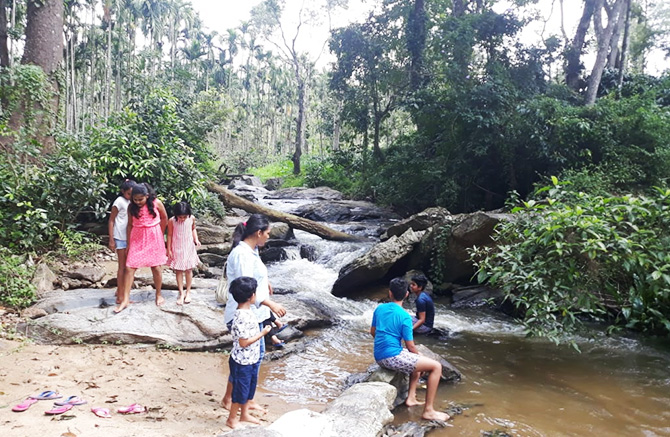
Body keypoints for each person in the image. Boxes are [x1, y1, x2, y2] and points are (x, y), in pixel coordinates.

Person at [221, 214, 287, 411]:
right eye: (267, 233)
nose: (268, 237)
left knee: (245, 359)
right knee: (250, 360)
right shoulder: (242, 254)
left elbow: (253, 278)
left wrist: (266, 282)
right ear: (258, 233)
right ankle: (243, 401)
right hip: (244, 315)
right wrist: (270, 304)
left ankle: (233, 399)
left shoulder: (251, 250)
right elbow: (244, 288)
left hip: (253, 314)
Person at [370, 278, 450, 422]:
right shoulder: (405, 316)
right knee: (436, 367)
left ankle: (411, 397)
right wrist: (418, 357)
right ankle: (429, 411)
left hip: (379, 354)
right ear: (406, 294)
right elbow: (411, 346)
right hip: (391, 357)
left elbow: (373, 332)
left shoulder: (379, 309)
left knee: (418, 358)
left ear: (390, 293)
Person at [226, 276, 272, 429]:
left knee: (248, 388)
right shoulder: (241, 316)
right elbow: (243, 342)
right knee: (240, 391)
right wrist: (262, 333)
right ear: (251, 296)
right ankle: (232, 419)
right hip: (242, 362)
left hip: (250, 359)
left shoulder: (246, 310)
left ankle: (244, 414)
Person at [114, 183, 168, 313]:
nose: (138, 202)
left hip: (154, 236)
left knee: (156, 267)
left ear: (147, 196)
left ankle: (158, 294)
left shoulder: (156, 203)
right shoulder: (131, 207)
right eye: (135, 199)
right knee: (129, 267)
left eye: (140, 199)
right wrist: (128, 243)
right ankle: (125, 299)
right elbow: (129, 225)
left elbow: (164, 217)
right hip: (137, 237)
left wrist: (160, 233)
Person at [167, 201, 201, 305]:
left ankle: (188, 292)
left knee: (189, 270)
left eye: (184, 217)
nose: (182, 219)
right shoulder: (172, 221)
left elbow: (193, 229)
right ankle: (181, 293)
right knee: (178, 270)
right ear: (176, 215)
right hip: (177, 247)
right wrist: (168, 249)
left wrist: (196, 239)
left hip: (188, 247)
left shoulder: (191, 218)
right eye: (180, 217)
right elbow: (169, 235)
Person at [107, 179, 136, 304]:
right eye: (129, 193)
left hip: (130, 238)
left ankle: (121, 290)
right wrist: (111, 239)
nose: (130, 196)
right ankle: (120, 296)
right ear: (123, 191)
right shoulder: (119, 201)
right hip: (120, 237)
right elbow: (111, 220)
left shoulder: (133, 202)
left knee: (129, 267)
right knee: (122, 267)